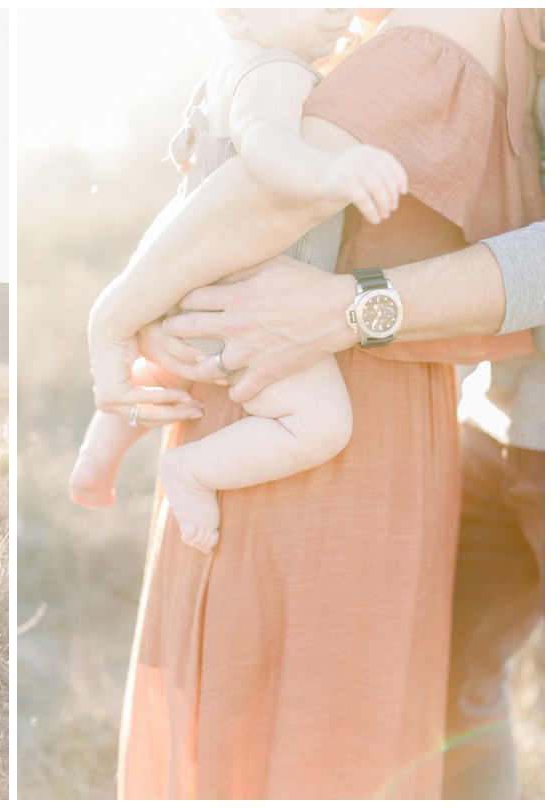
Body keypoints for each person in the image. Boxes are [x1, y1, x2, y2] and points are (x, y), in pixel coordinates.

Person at [89, 9, 542, 799]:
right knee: (448, 689)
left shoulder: (448, 26)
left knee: (321, 733)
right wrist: (150, 303)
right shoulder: (317, 45)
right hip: (467, 420)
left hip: (344, 435)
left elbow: (268, 195)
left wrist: (125, 307)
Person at [72, 8, 407, 551]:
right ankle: (194, 471)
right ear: (241, 13)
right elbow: (264, 142)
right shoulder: (276, 70)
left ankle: (96, 461)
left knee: (160, 369)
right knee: (320, 425)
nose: (335, 10)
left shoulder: (225, 64)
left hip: (187, 282)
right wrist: (326, 171)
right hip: (244, 296)